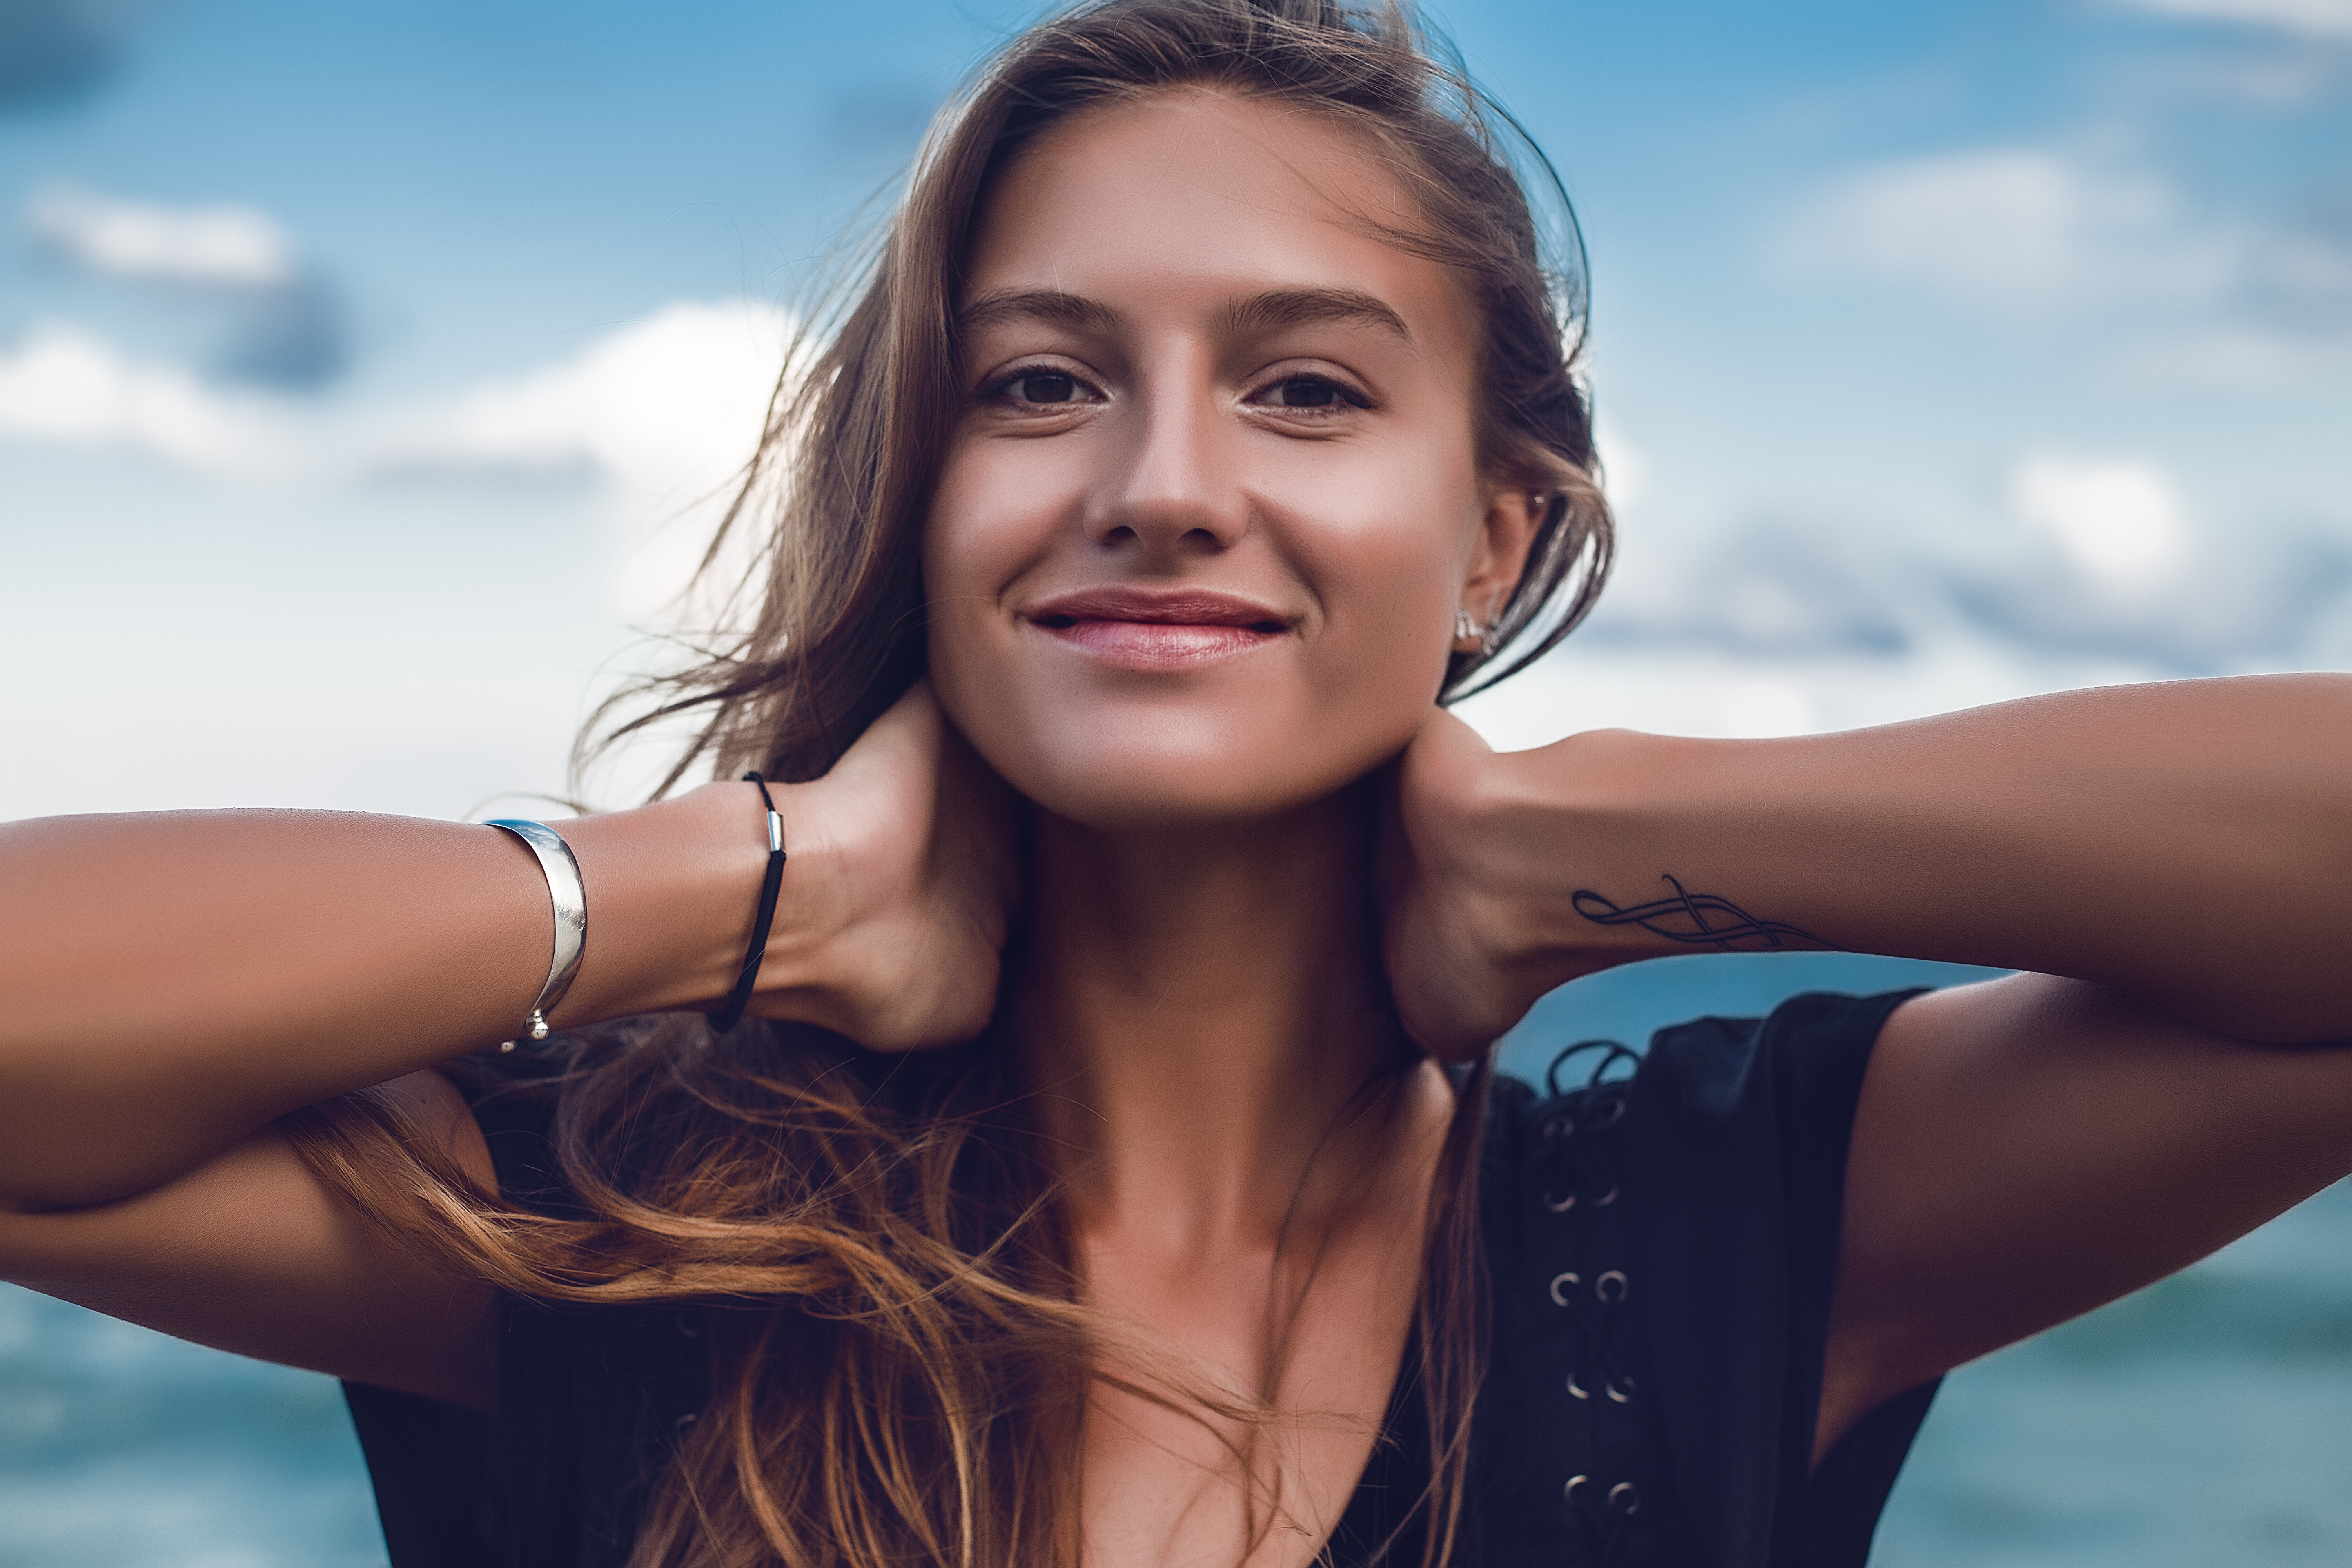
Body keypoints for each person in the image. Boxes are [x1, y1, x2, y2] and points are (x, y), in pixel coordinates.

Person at [2, 1, 2348, 1564]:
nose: (1160, 485)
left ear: (1495, 538)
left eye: (1306, 390)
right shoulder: (634, 1231)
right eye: (1040, 385)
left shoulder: (1730, 1227)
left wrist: (1593, 836)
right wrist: (760, 887)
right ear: (921, 498)